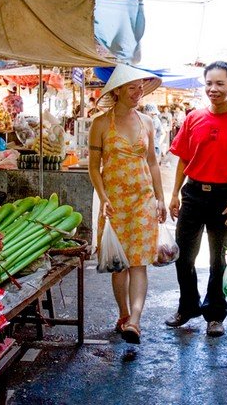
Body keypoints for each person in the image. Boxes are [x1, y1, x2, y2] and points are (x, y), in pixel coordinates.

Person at [165, 61, 227, 338]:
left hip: (223, 198)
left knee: (218, 260)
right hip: (192, 194)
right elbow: (183, 158)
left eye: (220, 84)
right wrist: (174, 194)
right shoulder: (193, 118)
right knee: (183, 256)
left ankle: (215, 314)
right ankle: (188, 306)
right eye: (209, 83)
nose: (213, 89)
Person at [88, 65, 167, 344]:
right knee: (119, 265)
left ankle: (135, 320)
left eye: (140, 87)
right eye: (132, 87)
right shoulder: (100, 124)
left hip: (143, 200)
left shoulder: (147, 122)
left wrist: (160, 198)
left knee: (139, 263)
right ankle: (123, 313)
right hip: (114, 203)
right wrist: (103, 197)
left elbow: (153, 163)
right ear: (118, 91)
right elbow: (94, 167)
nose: (138, 92)